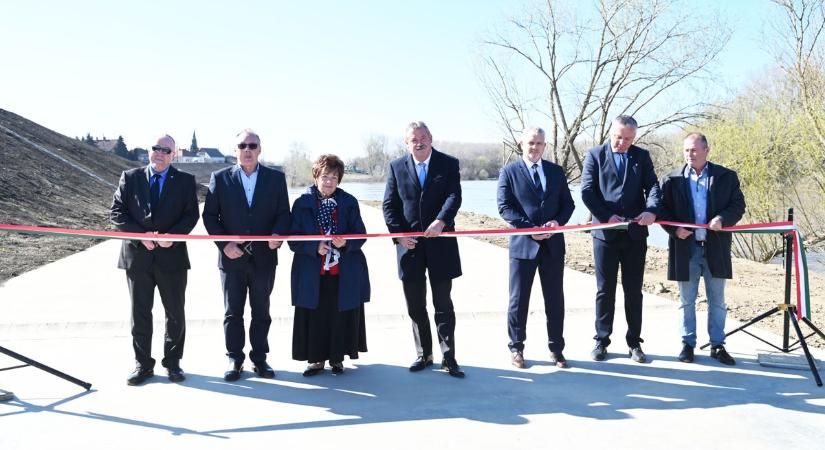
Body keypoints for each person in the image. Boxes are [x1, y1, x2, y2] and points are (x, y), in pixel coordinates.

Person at [110, 134, 199, 385]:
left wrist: (174, 236)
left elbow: (191, 214)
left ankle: (173, 363)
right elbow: (117, 212)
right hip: (137, 258)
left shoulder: (185, 181)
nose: (159, 153)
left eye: (166, 150)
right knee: (140, 313)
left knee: (175, 313)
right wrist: (140, 236)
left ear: (174, 155)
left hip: (171, 257)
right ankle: (143, 365)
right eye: (155, 148)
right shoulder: (130, 177)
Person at [202, 129, 290, 381]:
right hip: (232, 259)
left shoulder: (275, 178)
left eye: (253, 145)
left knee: (261, 311)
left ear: (260, 149)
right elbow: (210, 217)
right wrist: (224, 244)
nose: (248, 149)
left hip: (264, 258)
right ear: (236, 150)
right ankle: (234, 358)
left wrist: (278, 235)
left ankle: (260, 359)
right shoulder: (220, 178)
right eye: (242, 145)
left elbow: (284, 214)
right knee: (233, 312)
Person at [383, 121, 465, 378]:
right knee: (415, 306)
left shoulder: (448, 163)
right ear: (407, 143)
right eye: (413, 139)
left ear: (431, 138)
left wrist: (442, 220)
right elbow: (389, 205)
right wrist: (399, 236)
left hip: (441, 245)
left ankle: (448, 356)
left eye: (423, 137)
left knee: (443, 304)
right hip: (410, 249)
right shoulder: (396, 167)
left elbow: (454, 196)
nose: (419, 142)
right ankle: (424, 354)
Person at [581, 115, 661, 363]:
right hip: (605, 235)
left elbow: (654, 188)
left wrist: (651, 210)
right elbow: (587, 191)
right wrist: (606, 216)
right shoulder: (595, 155)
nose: (622, 142)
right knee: (605, 290)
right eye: (618, 137)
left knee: (633, 290)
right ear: (611, 132)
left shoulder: (642, 156)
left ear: (634, 137)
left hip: (635, 235)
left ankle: (634, 342)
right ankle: (601, 341)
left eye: (627, 139)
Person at [660, 132, 745, 365]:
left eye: (695, 150)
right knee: (686, 300)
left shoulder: (726, 177)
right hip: (686, 248)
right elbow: (661, 210)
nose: (690, 154)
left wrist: (722, 219)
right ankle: (687, 344)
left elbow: (738, 205)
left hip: (715, 248)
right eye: (686, 150)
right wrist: (674, 230)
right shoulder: (671, 179)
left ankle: (717, 345)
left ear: (707, 150)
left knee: (716, 300)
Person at [497, 127, 575, 369]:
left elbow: (568, 204)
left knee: (555, 300)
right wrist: (529, 228)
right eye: (531, 143)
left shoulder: (555, 171)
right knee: (518, 301)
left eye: (539, 143)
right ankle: (516, 348)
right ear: (522, 143)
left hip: (553, 245)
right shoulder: (509, 172)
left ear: (545, 146)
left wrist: (557, 222)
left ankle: (557, 349)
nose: (535, 147)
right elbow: (504, 207)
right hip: (523, 246)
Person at [289, 154, 370, 376]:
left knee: (339, 316)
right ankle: (315, 360)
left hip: (343, 271)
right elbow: (293, 239)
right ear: (316, 176)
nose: (329, 182)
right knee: (315, 316)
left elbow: (361, 235)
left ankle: (337, 359)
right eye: (325, 176)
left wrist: (346, 243)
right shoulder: (302, 203)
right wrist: (314, 247)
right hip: (312, 271)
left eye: (334, 177)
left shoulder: (349, 202)